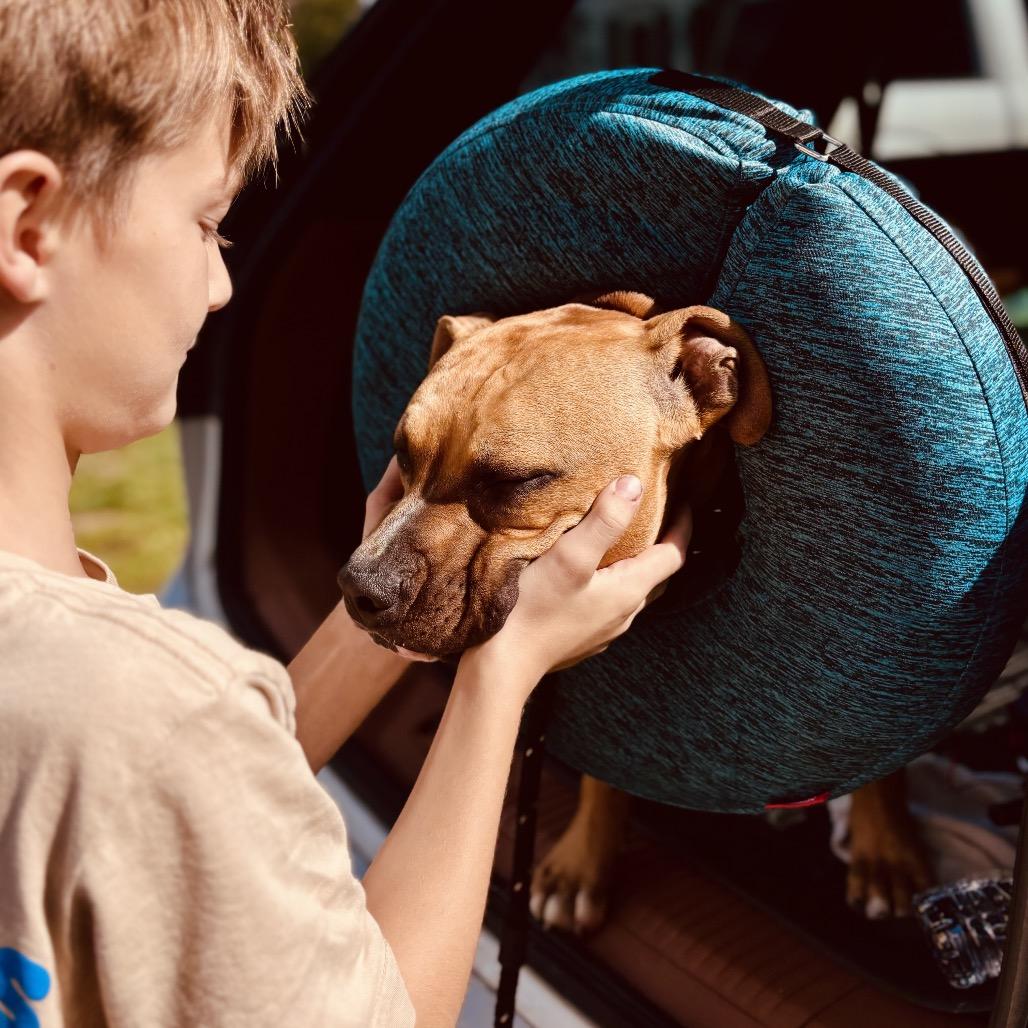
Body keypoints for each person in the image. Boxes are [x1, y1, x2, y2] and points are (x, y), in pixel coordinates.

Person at [0, 1, 692, 1025]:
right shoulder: (141, 709)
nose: (224, 284)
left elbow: (179, 804)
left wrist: (393, 611)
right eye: (207, 223)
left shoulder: (91, 694)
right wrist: (500, 673)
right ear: (28, 225)